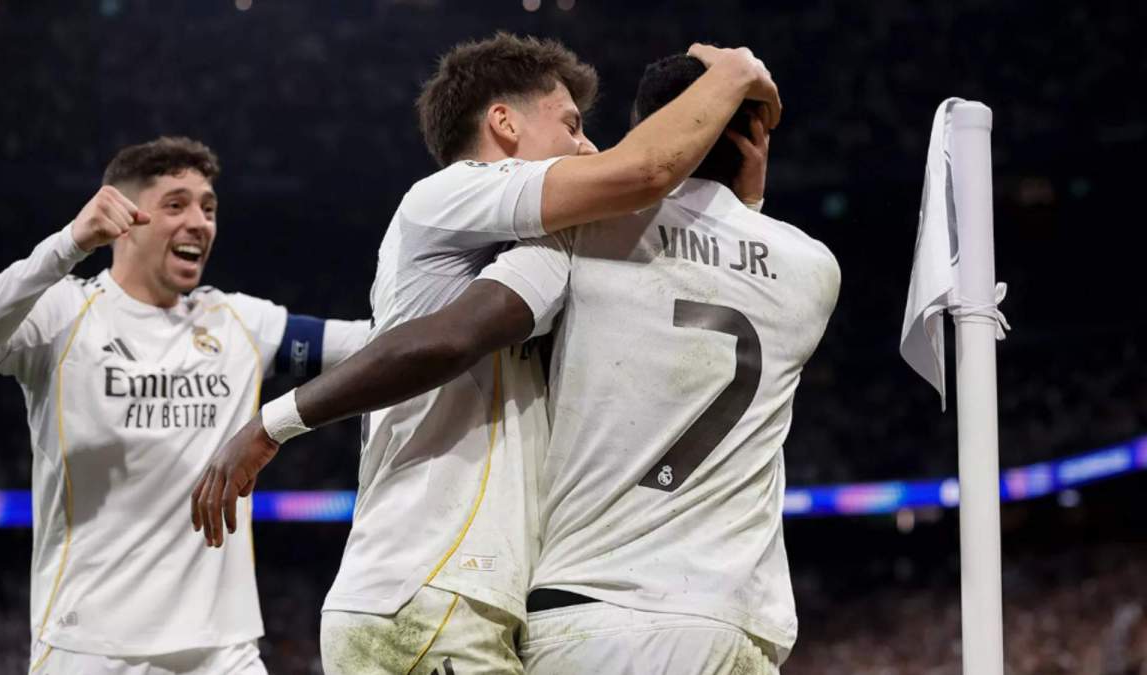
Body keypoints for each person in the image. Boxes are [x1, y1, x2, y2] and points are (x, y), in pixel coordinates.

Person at [194, 35, 780, 675]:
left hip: (456, 601)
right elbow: (641, 173)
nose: (587, 147)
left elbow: (670, 315)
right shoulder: (450, 192)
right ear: (503, 123)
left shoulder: (539, 254)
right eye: (572, 125)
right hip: (431, 592)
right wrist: (736, 73)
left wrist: (740, 207)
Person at [0, 137, 371, 674]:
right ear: (123, 218)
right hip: (88, 647)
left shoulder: (237, 321)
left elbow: (369, 344)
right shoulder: (63, 313)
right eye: (176, 204)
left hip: (224, 650)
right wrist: (68, 243)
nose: (200, 221)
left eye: (209, 208)